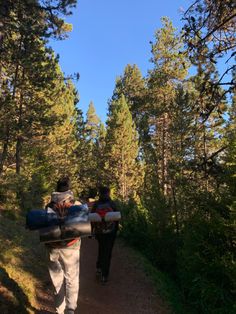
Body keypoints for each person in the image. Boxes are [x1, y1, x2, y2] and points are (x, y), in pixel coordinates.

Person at [45, 176, 81, 314]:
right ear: (69, 189)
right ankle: (70, 309)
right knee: (71, 278)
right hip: (72, 247)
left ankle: (59, 310)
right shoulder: (76, 204)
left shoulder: (49, 205)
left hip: (52, 247)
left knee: (56, 279)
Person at [91, 186, 119, 284]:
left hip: (99, 232)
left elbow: (92, 218)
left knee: (101, 248)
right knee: (108, 252)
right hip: (110, 232)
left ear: (100, 193)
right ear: (109, 193)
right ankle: (104, 275)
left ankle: (99, 267)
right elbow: (117, 219)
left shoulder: (96, 204)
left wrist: (91, 231)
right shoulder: (112, 204)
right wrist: (116, 231)